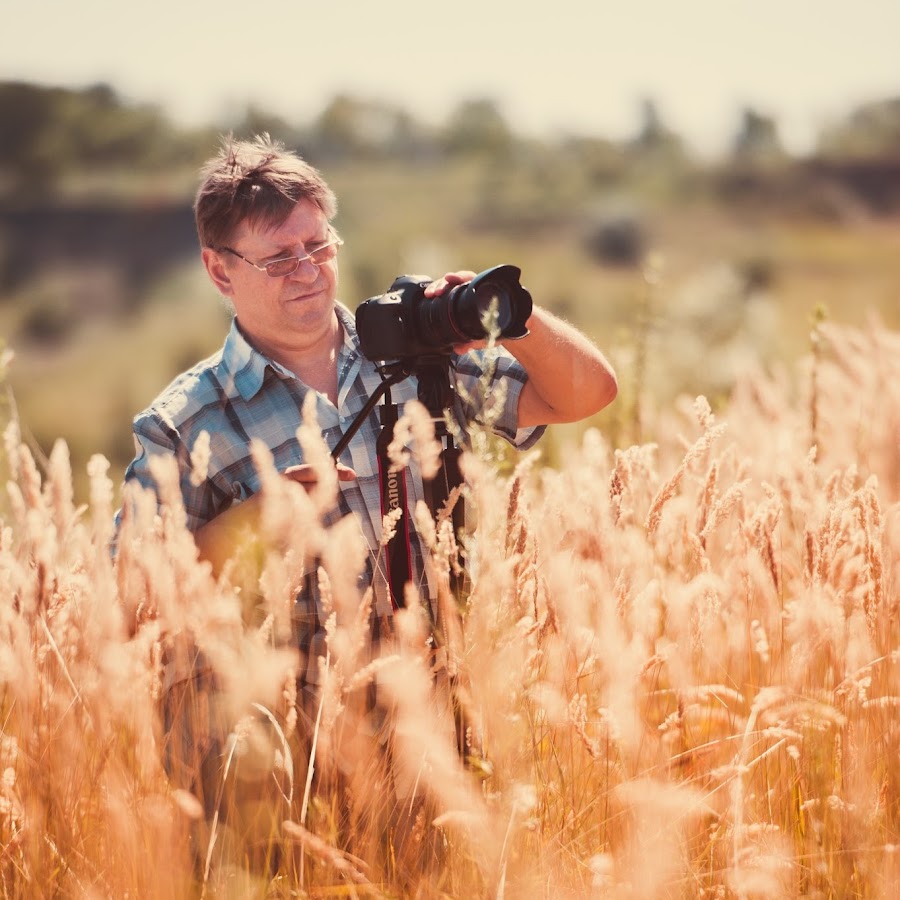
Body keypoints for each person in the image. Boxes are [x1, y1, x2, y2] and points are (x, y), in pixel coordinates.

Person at [117, 132, 617, 854]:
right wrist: (254, 526)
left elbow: (585, 393)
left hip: (436, 734)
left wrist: (510, 319)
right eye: (279, 256)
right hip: (281, 768)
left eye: (318, 245)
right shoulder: (186, 420)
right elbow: (129, 602)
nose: (308, 270)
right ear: (219, 271)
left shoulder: (414, 359)